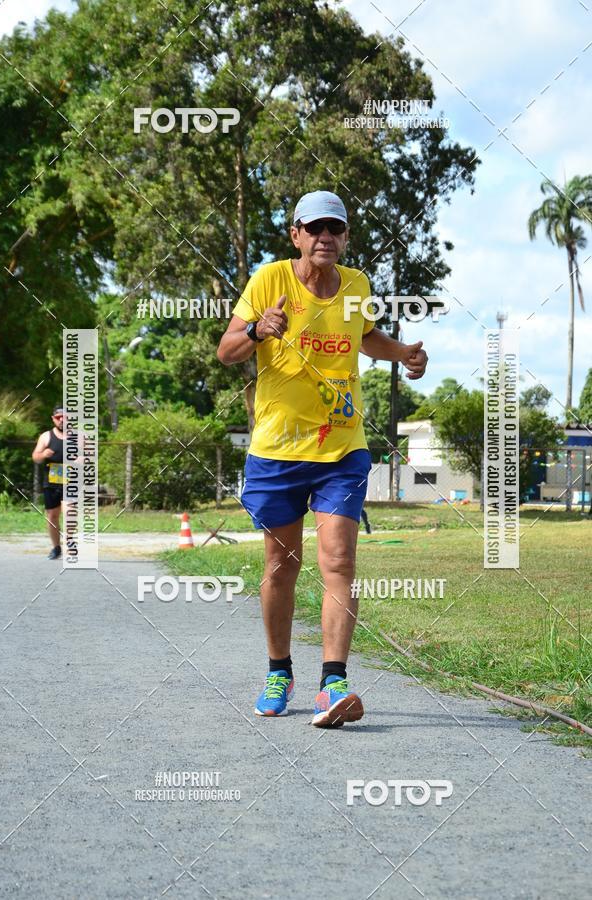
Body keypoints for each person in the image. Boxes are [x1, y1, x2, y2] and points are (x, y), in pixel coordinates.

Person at [217, 190, 427, 727]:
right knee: (280, 566)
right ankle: (278, 670)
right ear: (296, 235)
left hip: (341, 447)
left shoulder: (357, 285)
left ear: (346, 236)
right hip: (276, 449)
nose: (325, 238)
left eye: (335, 228)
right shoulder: (269, 281)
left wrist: (401, 353)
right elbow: (227, 350)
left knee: (339, 562)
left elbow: (365, 336)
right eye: (314, 229)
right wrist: (258, 329)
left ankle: (333, 683)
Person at [32, 405, 66, 560]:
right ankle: (56, 548)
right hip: (51, 480)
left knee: (69, 511)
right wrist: (43, 454)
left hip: (71, 480)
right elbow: (35, 456)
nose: (62, 420)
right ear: (53, 419)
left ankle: (71, 543)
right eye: (58, 417)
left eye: (65, 417)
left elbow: (89, 456)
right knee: (52, 515)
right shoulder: (46, 436)